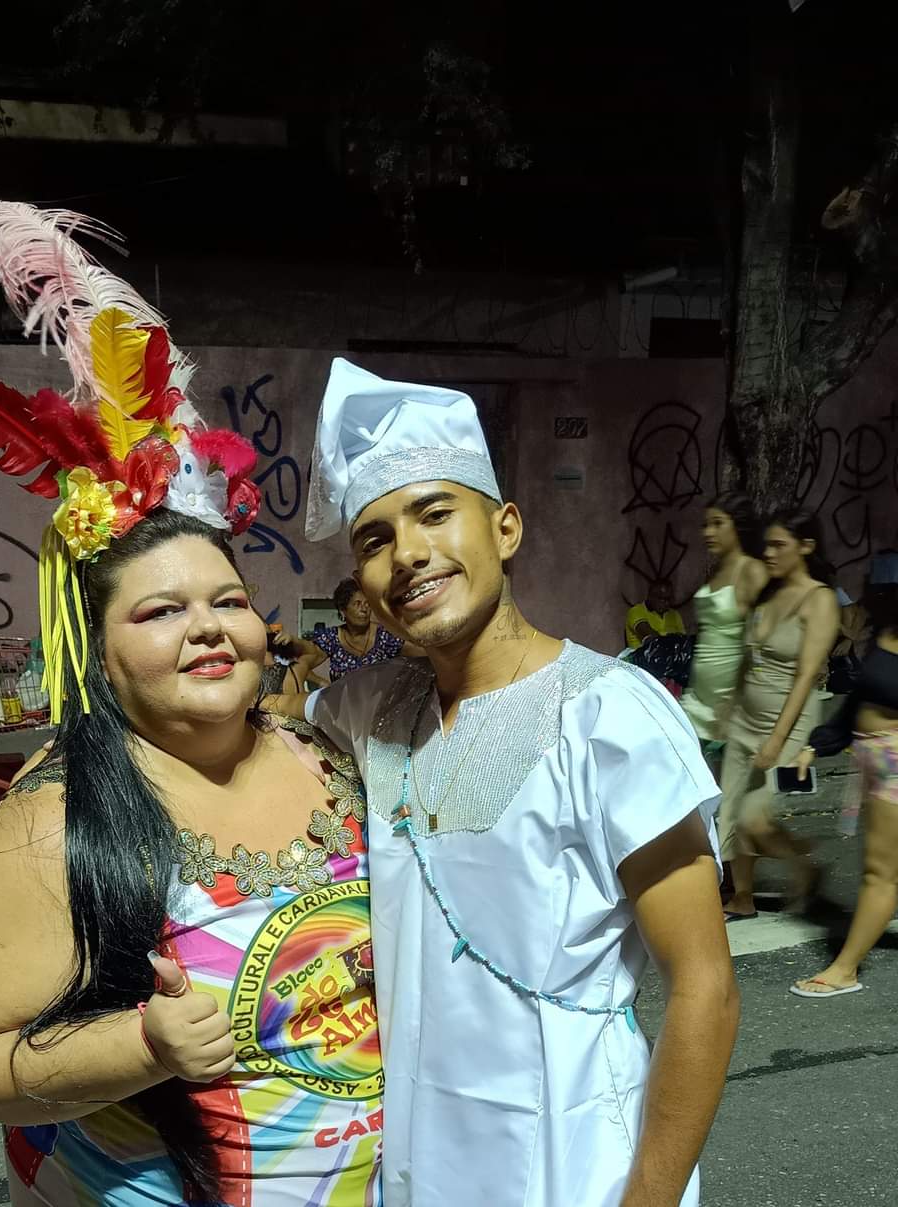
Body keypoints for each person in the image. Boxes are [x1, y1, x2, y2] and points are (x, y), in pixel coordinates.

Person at [0, 199, 383, 1207]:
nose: (208, 628)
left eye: (228, 601)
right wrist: (142, 1045)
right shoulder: (60, 810)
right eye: (162, 610)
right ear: (98, 648)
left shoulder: (322, 753)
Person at [281, 358, 739, 1207]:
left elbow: (705, 986)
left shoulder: (609, 716)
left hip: (573, 1163)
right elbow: (256, 715)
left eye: (434, 513)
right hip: (416, 1165)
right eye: (374, 539)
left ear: (506, 529)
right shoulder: (369, 709)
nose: (407, 554)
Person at [720, 509, 840, 922]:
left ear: (806, 547)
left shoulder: (819, 599)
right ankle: (742, 896)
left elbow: (806, 675)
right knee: (729, 813)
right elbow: (747, 656)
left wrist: (776, 739)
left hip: (787, 723)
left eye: (779, 545)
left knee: (754, 817)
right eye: (766, 545)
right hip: (744, 719)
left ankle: (803, 864)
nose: (769, 553)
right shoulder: (768, 591)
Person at [791, 560, 898, 998]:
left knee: (880, 872)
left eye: (885, 589)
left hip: (894, 760)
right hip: (874, 758)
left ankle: (845, 969)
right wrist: (821, 743)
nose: (873, 596)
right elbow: (860, 698)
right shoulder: (885, 632)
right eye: (875, 587)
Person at [680, 493, 768, 749]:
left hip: (732, 701)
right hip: (700, 696)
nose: (708, 532)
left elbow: (762, 646)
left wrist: (735, 703)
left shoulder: (752, 571)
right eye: (705, 525)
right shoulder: (716, 571)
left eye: (718, 524)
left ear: (738, 525)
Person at [311, 578, 408, 681]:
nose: (364, 609)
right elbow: (302, 661)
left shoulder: (385, 636)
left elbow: (419, 654)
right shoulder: (332, 638)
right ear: (343, 610)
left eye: (367, 604)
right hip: (343, 692)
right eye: (357, 604)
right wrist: (320, 682)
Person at [259, 624, 327, 694]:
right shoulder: (296, 670)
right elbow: (319, 654)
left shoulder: (295, 670)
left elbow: (319, 654)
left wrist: (319, 681)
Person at [625, 578, 685, 649]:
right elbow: (649, 636)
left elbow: (683, 640)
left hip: (671, 654)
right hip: (643, 654)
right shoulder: (636, 611)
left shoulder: (674, 614)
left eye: (669, 599)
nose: (667, 603)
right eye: (662, 599)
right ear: (650, 597)